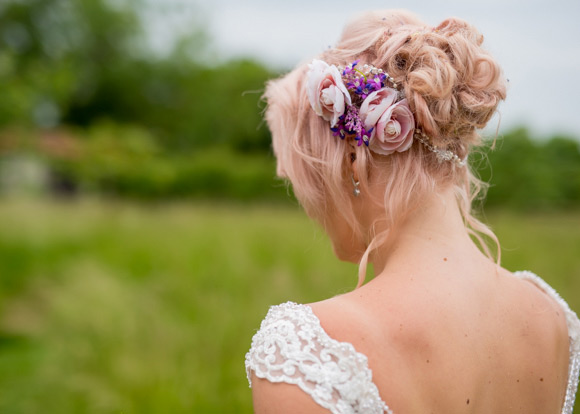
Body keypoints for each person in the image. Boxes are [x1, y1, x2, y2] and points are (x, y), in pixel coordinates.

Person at [244, 9, 580, 414]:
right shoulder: (551, 320)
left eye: (303, 178)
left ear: (352, 159)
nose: (309, 204)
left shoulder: (307, 352)